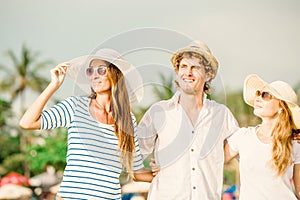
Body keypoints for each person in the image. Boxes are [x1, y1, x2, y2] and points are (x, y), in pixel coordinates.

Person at [19, 48, 153, 200]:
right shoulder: (75, 106)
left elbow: (137, 171)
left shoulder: (128, 120)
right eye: (90, 71)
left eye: (101, 70)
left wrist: (165, 172)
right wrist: (53, 85)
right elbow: (27, 122)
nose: (94, 75)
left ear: (116, 74)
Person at [137, 40, 239, 199]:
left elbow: (248, 147)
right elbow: (131, 160)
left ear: (209, 74)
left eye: (195, 67)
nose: (188, 73)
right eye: (183, 67)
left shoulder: (222, 115)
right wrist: (157, 174)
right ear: (177, 72)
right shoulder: (158, 112)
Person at [224, 74, 300, 199]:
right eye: (258, 93)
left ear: (281, 106)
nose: (258, 98)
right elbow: (212, 162)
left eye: (265, 95)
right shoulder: (242, 137)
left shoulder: (295, 142)